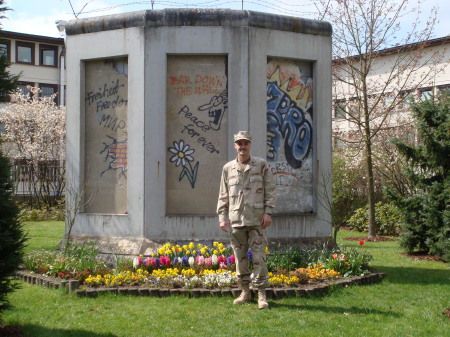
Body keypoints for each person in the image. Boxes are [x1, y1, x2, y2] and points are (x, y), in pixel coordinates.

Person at [217, 130, 277, 309]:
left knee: (259, 257)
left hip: (257, 220)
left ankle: (261, 294)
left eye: (246, 143)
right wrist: (222, 217)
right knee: (239, 258)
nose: (242, 147)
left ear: (250, 144)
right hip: (236, 220)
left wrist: (268, 212)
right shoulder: (228, 168)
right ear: (235, 145)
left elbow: (271, 189)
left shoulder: (261, 165)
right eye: (239, 143)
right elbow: (223, 194)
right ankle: (245, 291)